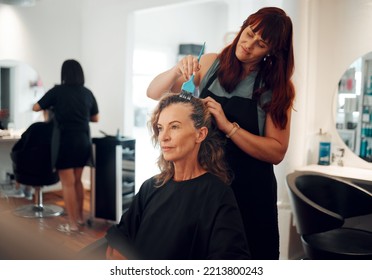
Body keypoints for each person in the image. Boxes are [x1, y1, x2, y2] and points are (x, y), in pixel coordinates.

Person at [146, 7, 295, 259]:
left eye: (260, 44)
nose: (248, 46)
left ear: (272, 51)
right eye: (248, 34)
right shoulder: (209, 64)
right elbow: (154, 92)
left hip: (250, 191)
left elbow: (276, 151)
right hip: (206, 183)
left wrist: (228, 127)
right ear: (243, 28)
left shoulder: (277, 88)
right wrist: (177, 69)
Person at [105, 94, 250, 260]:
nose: (163, 137)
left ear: (200, 134)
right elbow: (117, 244)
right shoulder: (151, 187)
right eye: (160, 128)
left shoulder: (218, 195)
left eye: (174, 127)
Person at [33, 59, 99, 232]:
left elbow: (36, 107)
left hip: (65, 142)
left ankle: (72, 224)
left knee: (67, 184)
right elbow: (96, 118)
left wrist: (53, 106)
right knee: (77, 181)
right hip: (83, 141)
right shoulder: (87, 93)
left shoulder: (57, 91)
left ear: (64, 74)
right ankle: (80, 219)